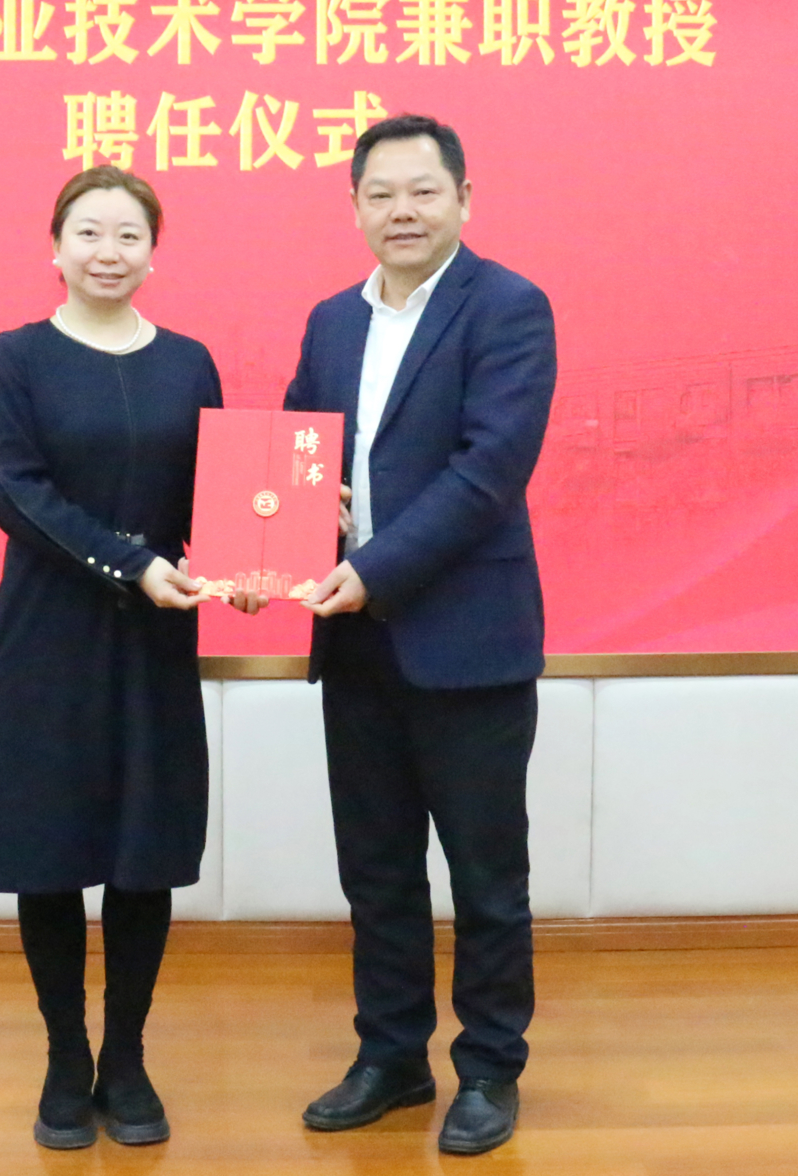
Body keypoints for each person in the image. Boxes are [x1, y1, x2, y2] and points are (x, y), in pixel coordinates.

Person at [0, 164, 261, 1150]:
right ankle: (66, 1057)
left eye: (128, 235)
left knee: (145, 852)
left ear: (152, 253)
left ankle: (127, 1057)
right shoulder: (14, 359)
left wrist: (252, 561)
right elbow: (17, 492)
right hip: (49, 633)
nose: (108, 252)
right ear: (54, 249)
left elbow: (219, 496)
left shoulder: (189, 362)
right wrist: (131, 562)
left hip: (155, 633)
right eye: (88, 233)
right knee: (48, 850)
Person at [284, 115, 557, 1156]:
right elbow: (297, 454)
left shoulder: (509, 307)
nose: (402, 210)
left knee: (487, 877)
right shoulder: (330, 321)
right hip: (356, 646)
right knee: (378, 872)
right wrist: (278, 533)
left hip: (467, 642)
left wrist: (374, 568)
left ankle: (487, 1067)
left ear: (463, 199)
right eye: (381, 194)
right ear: (355, 207)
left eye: (423, 191)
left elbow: (488, 472)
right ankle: (392, 1055)